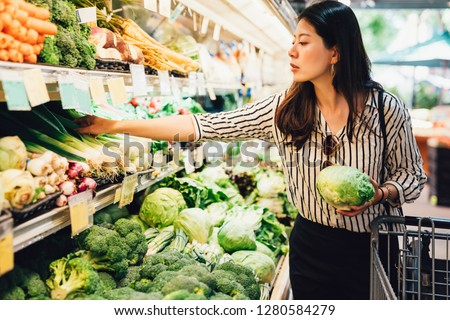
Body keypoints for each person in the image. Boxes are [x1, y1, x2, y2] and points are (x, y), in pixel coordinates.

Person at [77, 0, 427, 299]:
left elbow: (412, 176)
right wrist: (115, 125)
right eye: (293, 42)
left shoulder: (384, 110)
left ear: (335, 51)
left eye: (304, 43)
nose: (292, 51)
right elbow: (203, 126)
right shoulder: (284, 110)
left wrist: (380, 192)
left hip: (370, 249)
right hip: (311, 245)